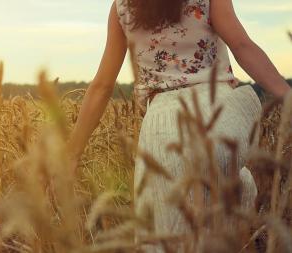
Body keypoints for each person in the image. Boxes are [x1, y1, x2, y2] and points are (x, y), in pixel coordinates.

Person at [67, 0, 291, 251]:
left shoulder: (122, 7)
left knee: (166, 230)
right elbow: (242, 46)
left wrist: (72, 154)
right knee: (229, 202)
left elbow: (102, 86)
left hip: (161, 126)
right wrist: (286, 95)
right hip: (218, 109)